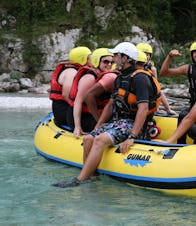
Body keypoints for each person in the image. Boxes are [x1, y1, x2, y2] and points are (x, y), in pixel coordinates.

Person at [53, 42, 161, 187]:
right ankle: (91, 175)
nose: (114, 59)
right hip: (119, 122)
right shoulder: (120, 78)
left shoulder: (140, 78)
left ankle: (80, 180)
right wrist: (98, 126)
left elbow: (143, 108)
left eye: (116, 56)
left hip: (135, 125)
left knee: (100, 140)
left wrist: (132, 137)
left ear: (125, 58)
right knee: (89, 139)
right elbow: (111, 105)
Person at [66, 48, 115, 138]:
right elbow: (78, 101)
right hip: (82, 116)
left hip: (91, 114)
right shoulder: (89, 77)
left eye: (112, 62)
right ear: (97, 61)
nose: (109, 65)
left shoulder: (102, 76)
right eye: (106, 62)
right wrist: (77, 126)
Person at [49, 46, 91, 128]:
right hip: (63, 111)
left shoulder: (76, 70)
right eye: (90, 57)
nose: (92, 60)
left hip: (65, 109)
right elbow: (66, 95)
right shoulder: (71, 72)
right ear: (83, 59)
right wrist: (78, 110)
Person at [136, 42, 176, 115]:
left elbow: (157, 90)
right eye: (144, 54)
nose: (146, 56)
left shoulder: (152, 69)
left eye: (148, 54)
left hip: (145, 99)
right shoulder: (131, 68)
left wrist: (167, 109)